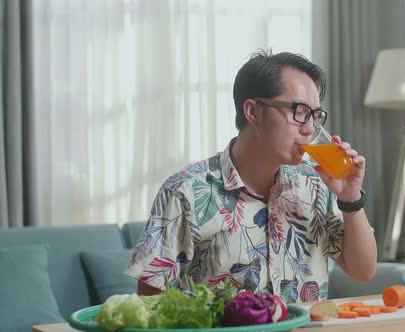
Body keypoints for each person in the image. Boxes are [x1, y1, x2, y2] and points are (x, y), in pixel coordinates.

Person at [125, 50, 377, 303]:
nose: (310, 128)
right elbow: (149, 304)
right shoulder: (185, 192)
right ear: (253, 111)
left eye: (315, 115)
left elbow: (363, 271)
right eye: (299, 111)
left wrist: (350, 198)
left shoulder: (314, 185)